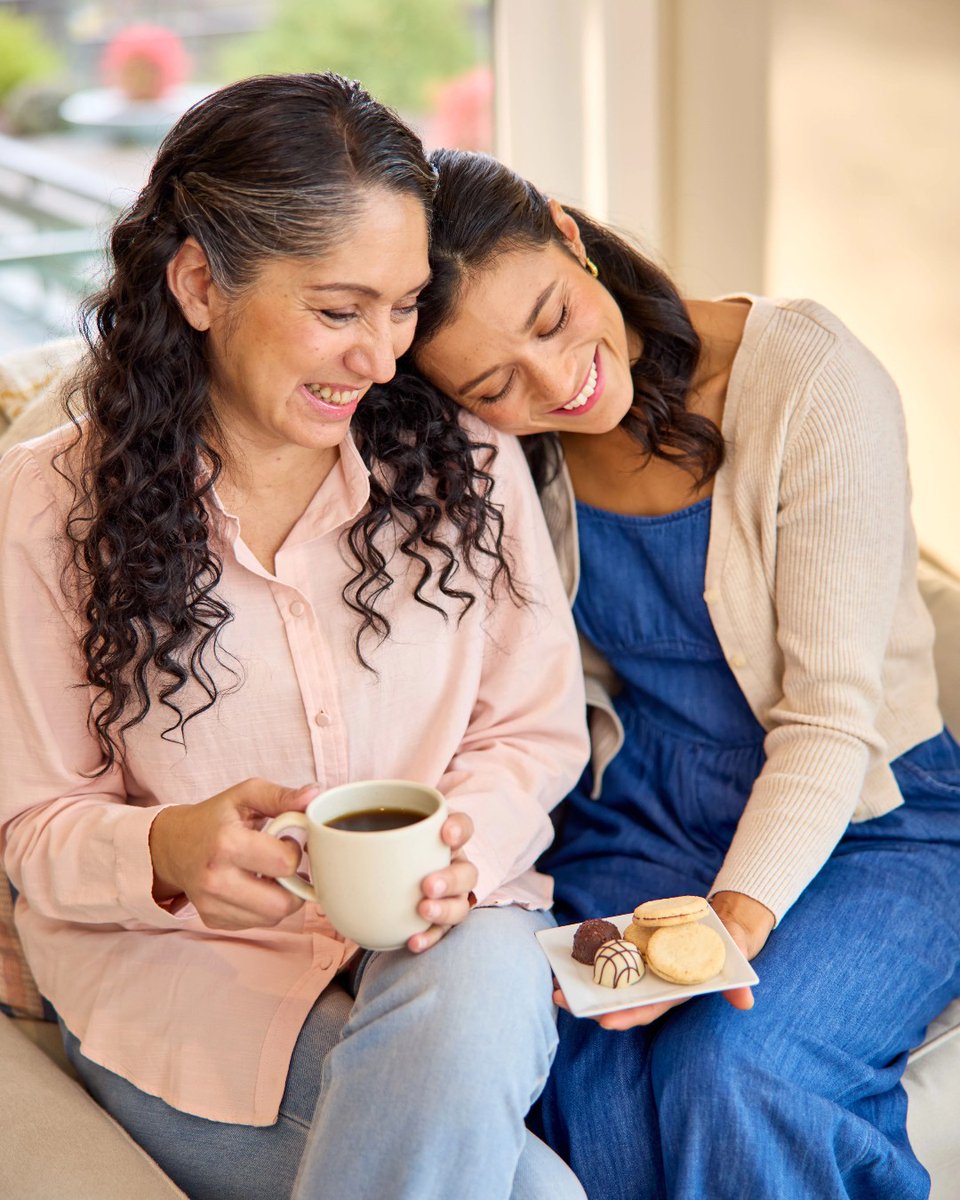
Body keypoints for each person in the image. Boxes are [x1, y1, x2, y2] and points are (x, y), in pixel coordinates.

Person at [0, 79, 592, 1200]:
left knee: (473, 989)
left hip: (448, 944)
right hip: (187, 987)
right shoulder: (45, 506)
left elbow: (533, 726)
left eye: (406, 307)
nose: (381, 358)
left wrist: (465, 844)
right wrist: (167, 849)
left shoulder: (464, 462)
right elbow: (35, 821)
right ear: (196, 284)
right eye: (338, 310)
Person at [401, 147, 960, 1200]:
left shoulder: (808, 380)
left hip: (875, 817)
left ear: (571, 235)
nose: (557, 381)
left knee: (736, 1070)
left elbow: (831, 726)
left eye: (553, 317)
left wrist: (727, 928)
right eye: (494, 385)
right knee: (583, 1068)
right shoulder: (505, 451)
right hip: (639, 813)